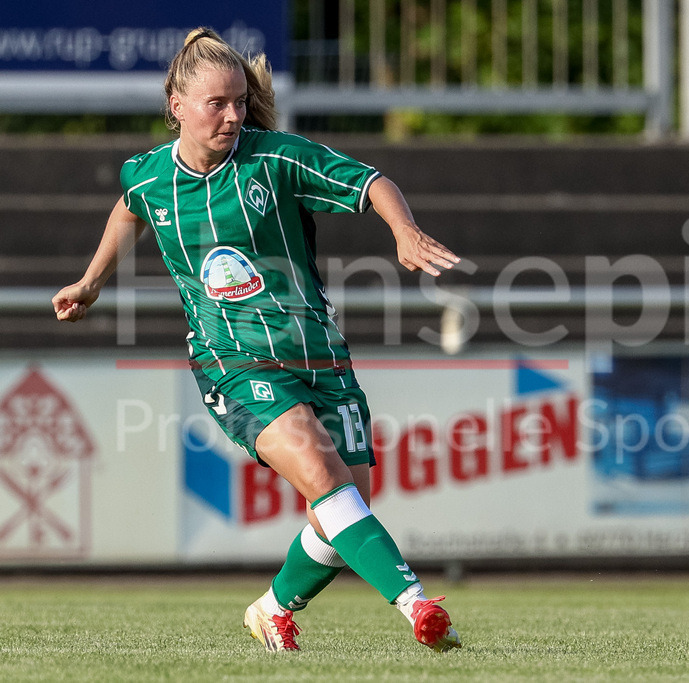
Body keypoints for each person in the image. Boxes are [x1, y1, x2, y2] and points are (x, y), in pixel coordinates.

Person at [52, 27, 462, 654]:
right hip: (233, 362)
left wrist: (403, 232)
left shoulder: (275, 157)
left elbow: (373, 181)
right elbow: (130, 207)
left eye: (240, 101)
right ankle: (416, 605)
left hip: (320, 353)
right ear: (176, 105)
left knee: (338, 517)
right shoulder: (150, 174)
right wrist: (90, 281)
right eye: (216, 103)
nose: (232, 115)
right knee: (328, 482)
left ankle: (272, 610)